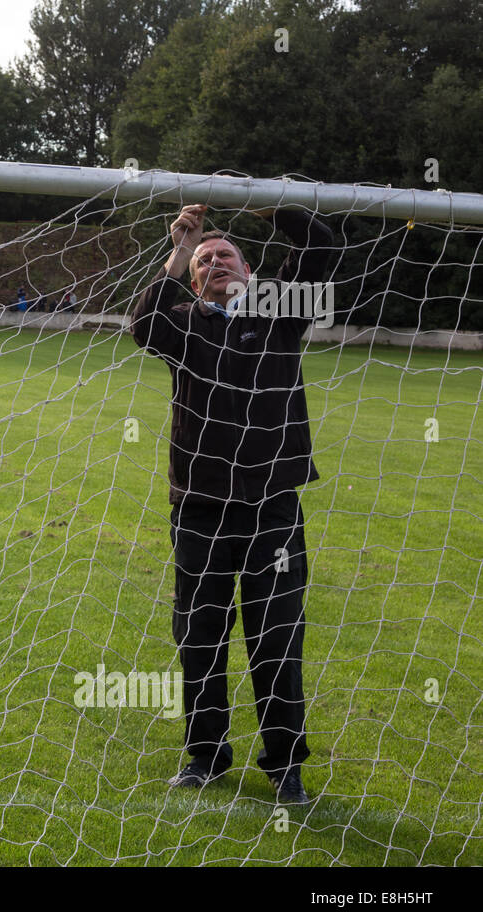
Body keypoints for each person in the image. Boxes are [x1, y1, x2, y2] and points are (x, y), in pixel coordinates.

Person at [130, 203, 334, 804]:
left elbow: (320, 249)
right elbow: (143, 322)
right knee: (200, 635)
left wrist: (272, 203)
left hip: (272, 505)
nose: (215, 261)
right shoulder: (185, 324)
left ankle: (284, 765)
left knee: (275, 636)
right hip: (199, 506)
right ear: (195, 282)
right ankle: (205, 755)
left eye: (225, 254)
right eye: (204, 260)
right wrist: (178, 245)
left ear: (249, 270)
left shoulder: (278, 317)